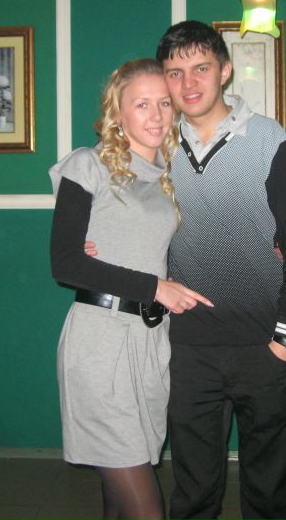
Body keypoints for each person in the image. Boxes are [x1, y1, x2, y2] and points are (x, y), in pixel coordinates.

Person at [157, 21, 286, 520]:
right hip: (188, 349)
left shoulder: (269, 139)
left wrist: (285, 341)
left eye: (201, 68)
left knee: (268, 495)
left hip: (263, 346)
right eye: (175, 73)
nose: (189, 84)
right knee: (193, 493)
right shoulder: (156, 144)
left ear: (225, 70)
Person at [49, 57, 213, 520]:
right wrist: (153, 287)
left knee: (119, 498)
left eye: (164, 103)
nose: (156, 115)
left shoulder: (170, 174)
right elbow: (65, 263)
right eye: (142, 104)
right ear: (117, 111)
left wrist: (269, 246)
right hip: (101, 341)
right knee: (146, 509)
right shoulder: (89, 165)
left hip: (150, 341)